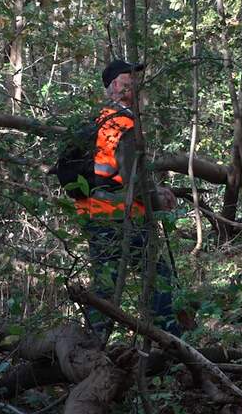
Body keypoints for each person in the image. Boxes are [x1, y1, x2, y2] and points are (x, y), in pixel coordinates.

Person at [77, 59, 181, 336]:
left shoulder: (100, 119)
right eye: (128, 79)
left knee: (105, 283)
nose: (135, 84)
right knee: (156, 275)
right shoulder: (121, 121)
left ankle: (92, 344)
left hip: (95, 211)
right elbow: (131, 178)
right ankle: (168, 339)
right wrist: (157, 198)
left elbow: (112, 173)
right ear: (114, 86)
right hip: (118, 215)